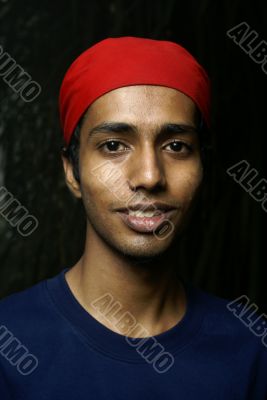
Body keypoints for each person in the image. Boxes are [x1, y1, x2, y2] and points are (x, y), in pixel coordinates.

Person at [0, 36, 266, 399]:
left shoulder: (252, 350)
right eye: (113, 145)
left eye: (176, 146)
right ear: (71, 171)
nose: (149, 176)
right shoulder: (9, 342)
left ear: (203, 165)